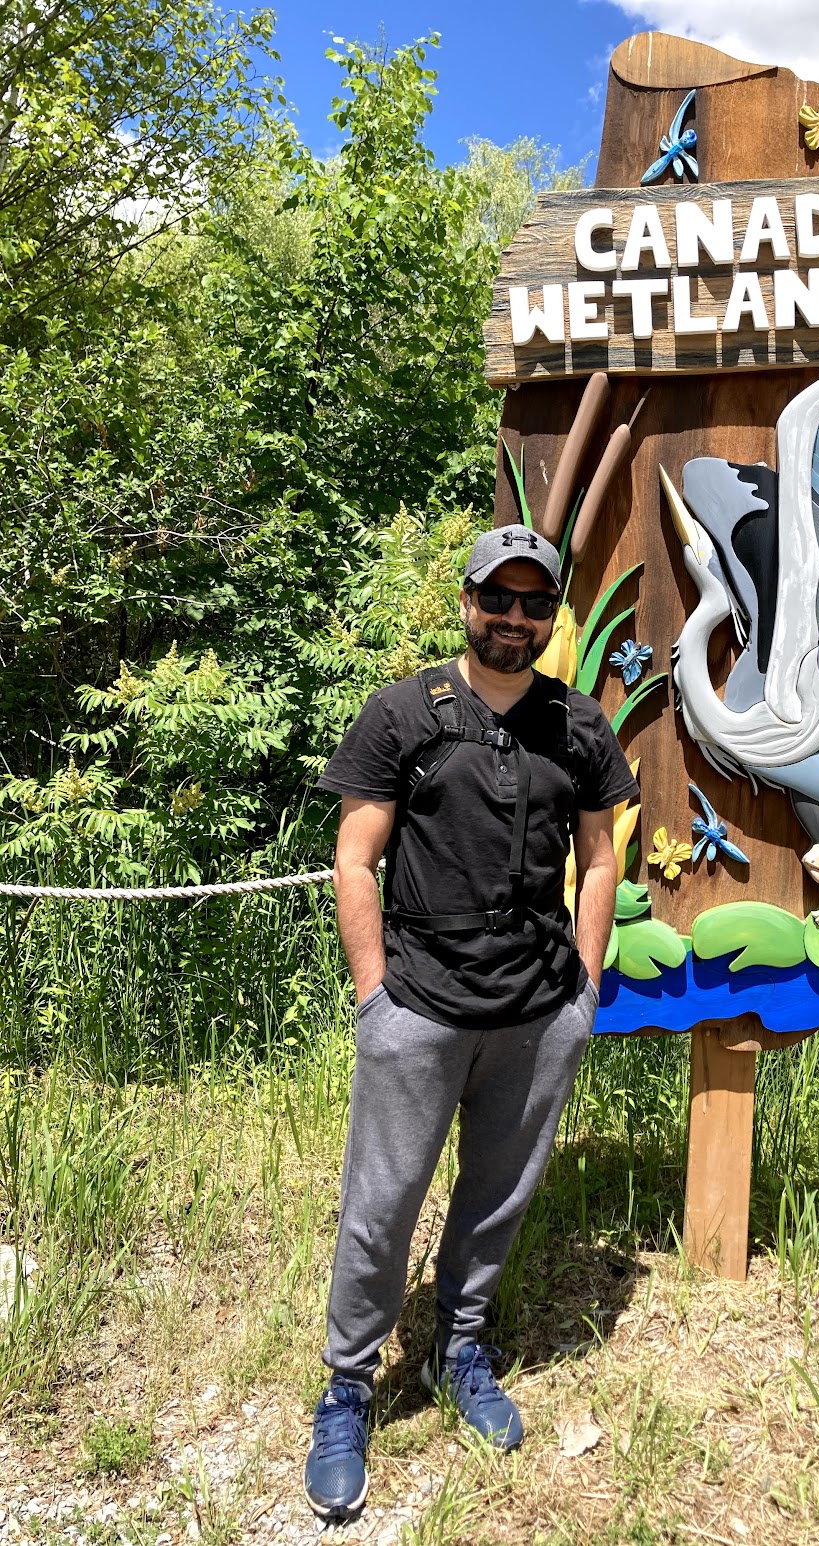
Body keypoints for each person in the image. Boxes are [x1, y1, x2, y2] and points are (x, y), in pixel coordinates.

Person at [303, 527, 638, 1519]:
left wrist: (580, 988)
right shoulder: (402, 712)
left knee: (495, 1197)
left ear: (551, 617)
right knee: (381, 1206)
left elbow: (601, 857)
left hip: (535, 1011)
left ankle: (457, 1347)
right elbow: (353, 856)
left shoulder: (577, 724)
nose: (515, 619)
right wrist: (375, 996)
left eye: (536, 604)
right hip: (419, 1002)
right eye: (500, 598)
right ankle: (347, 1385)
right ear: (467, 601)